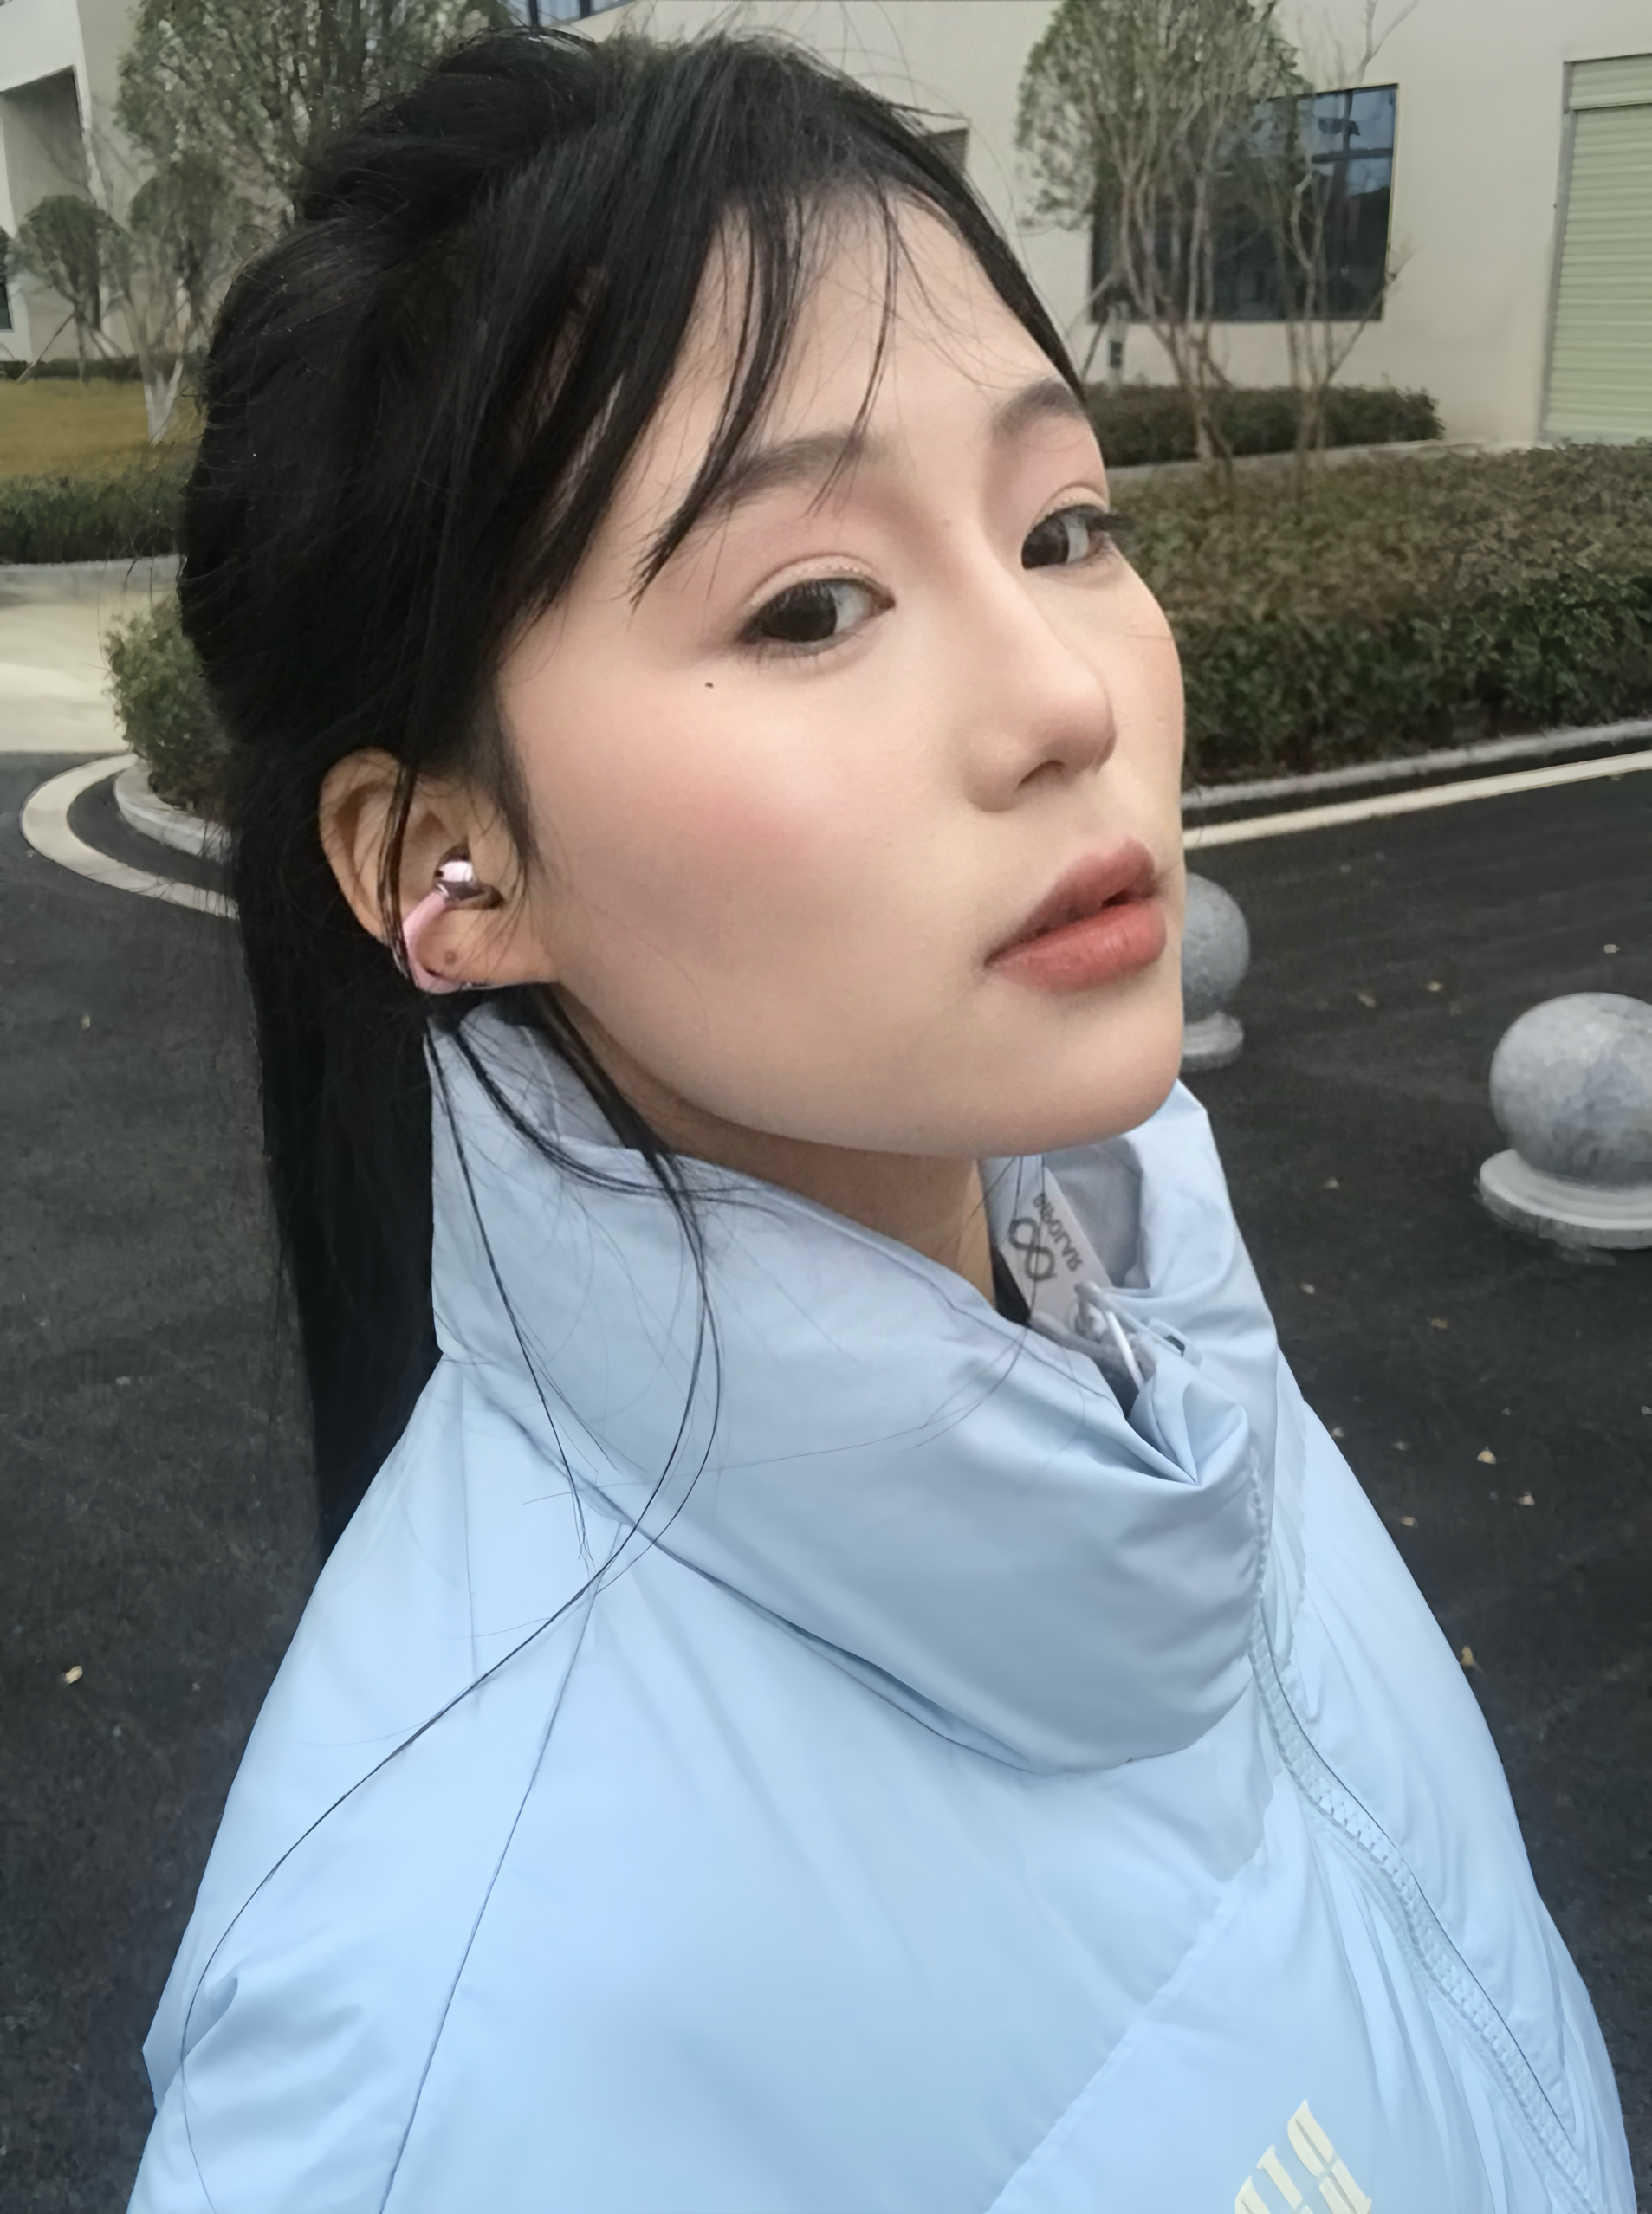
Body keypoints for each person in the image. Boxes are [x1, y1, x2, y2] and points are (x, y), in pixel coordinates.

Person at [131, 26, 1632, 2213]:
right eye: (814, 604)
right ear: (442, 865)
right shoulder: (425, 2066)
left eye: (1065, 526)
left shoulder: (1166, 1367)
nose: (1065, 695)